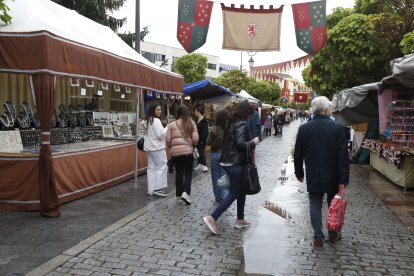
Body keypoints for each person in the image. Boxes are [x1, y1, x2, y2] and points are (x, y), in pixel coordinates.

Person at [294, 96, 349, 247]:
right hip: (334, 174)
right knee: (333, 203)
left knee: (315, 203)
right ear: (326, 109)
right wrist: (343, 179)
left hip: (314, 173)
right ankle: (332, 233)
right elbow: (343, 156)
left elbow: (298, 154)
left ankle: (318, 237)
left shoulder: (304, 128)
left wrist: (299, 173)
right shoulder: (337, 128)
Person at [203, 101, 260, 234]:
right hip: (235, 163)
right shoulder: (240, 123)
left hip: (229, 162)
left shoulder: (231, 122)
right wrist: (253, 143)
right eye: (250, 115)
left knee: (242, 190)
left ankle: (240, 219)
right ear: (245, 113)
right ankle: (212, 217)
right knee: (235, 192)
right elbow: (241, 144)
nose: (250, 117)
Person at [166, 105, 199, 205]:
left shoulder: (171, 125)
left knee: (179, 173)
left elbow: (167, 140)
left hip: (176, 153)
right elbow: (195, 138)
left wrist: (172, 147)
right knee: (188, 173)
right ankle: (186, 192)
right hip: (188, 152)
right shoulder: (191, 123)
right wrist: (193, 144)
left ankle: (179, 195)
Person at [142, 104, 168, 197]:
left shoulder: (147, 121)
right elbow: (160, 135)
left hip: (149, 147)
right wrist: (166, 128)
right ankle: (158, 188)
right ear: (153, 110)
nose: (160, 111)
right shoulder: (156, 121)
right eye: (158, 110)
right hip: (157, 147)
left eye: (160, 110)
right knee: (161, 166)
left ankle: (151, 189)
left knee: (151, 168)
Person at [206, 109, 230, 202]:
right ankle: (225, 196)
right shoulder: (230, 129)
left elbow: (208, 142)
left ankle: (217, 197)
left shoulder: (213, 129)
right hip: (225, 155)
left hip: (215, 154)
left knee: (215, 176)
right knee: (224, 175)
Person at [194, 105, 209, 172]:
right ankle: (200, 164)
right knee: (198, 153)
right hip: (197, 139)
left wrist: (203, 140)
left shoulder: (204, 121)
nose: (195, 113)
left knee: (201, 152)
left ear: (199, 112)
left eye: (195, 111)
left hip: (202, 140)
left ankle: (205, 166)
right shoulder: (197, 120)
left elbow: (206, 132)